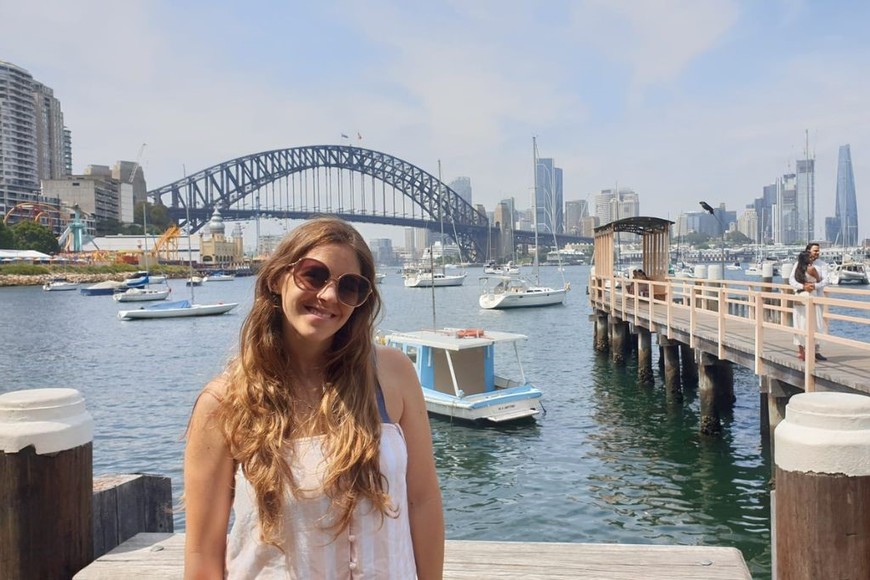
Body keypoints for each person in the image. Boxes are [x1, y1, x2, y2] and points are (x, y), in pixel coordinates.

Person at [184, 217, 444, 579]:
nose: (329, 296)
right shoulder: (224, 402)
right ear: (277, 278)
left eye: (350, 287)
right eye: (314, 275)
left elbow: (423, 500)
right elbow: (202, 552)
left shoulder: (393, 374)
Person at [788, 244, 828, 361]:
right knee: (801, 323)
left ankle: (815, 351)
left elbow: (826, 280)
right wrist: (803, 287)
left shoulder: (822, 264)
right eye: (815, 251)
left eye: (818, 251)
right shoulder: (798, 265)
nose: (817, 253)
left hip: (816, 296)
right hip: (802, 296)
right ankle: (802, 350)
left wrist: (814, 286)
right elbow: (792, 280)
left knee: (816, 324)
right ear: (808, 251)